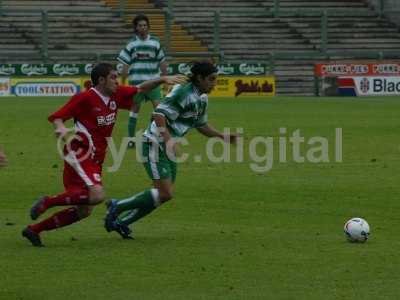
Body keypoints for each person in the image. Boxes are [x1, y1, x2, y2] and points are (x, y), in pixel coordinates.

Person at [22, 63, 186, 247]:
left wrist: (162, 79)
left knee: (84, 211)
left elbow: (140, 88)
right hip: (81, 153)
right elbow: (59, 116)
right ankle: (47, 201)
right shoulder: (85, 97)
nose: (117, 81)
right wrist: (60, 128)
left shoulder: (114, 95)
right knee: (97, 195)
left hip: (96, 159)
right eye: (113, 77)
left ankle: (34, 230)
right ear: (101, 80)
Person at [104, 61, 238, 239]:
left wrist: (222, 136)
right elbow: (158, 115)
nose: (214, 84)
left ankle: (122, 223)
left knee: (163, 195)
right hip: (154, 143)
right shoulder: (183, 92)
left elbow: (201, 125)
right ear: (200, 78)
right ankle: (117, 206)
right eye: (211, 79)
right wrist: (168, 141)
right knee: (164, 192)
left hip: (167, 148)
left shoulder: (202, 98)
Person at [118, 14, 168, 148]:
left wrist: (165, 78)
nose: (143, 27)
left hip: (154, 83)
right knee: (134, 111)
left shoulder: (155, 42)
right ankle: (130, 139)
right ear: (136, 27)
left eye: (145, 25)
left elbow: (162, 62)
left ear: (148, 27)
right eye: (140, 25)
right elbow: (125, 66)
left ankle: (155, 136)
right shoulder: (131, 44)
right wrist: (123, 83)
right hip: (137, 85)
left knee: (160, 111)